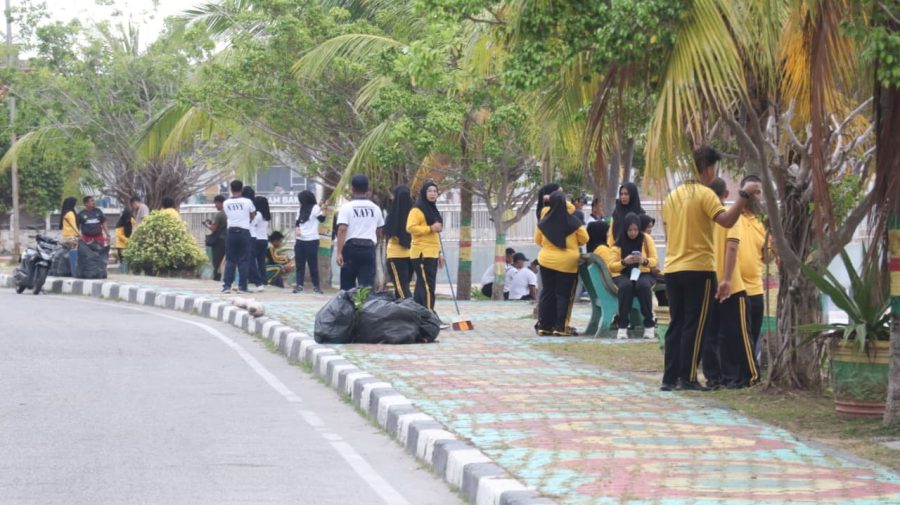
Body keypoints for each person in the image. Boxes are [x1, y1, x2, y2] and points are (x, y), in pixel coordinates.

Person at [659, 146, 760, 392]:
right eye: (714, 169)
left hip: (672, 267)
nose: (714, 174)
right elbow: (726, 220)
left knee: (677, 323)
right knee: (695, 323)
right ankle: (688, 377)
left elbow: (667, 230)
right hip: (698, 269)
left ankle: (669, 378)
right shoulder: (705, 195)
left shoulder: (672, 197)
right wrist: (743, 196)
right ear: (708, 168)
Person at [705, 177, 759, 389]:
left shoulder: (704, 218)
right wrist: (727, 279)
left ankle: (715, 378)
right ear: (726, 194)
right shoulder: (730, 217)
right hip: (732, 285)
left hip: (709, 283)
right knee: (739, 334)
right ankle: (748, 375)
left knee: (711, 334)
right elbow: (732, 247)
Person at [534, 191, 588, 336]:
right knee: (563, 295)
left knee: (547, 293)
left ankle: (544, 326)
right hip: (567, 264)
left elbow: (537, 241)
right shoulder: (574, 221)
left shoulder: (543, 222)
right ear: (566, 203)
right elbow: (584, 239)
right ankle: (560, 327)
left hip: (546, 261)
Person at [608, 212, 658, 340]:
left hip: (644, 272)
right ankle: (622, 325)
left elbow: (654, 260)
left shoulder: (646, 239)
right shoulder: (618, 243)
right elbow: (612, 266)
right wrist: (624, 262)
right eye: (630, 230)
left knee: (643, 286)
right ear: (625, 229)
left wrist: (643, 261)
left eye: (636, 230)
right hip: (623, 274)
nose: (633, 233)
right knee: (626, 286)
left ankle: (649, 325)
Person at [737, 175, 769, 362]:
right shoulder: (729, 217)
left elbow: (767, 257)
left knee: (753, 333)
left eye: (758, 193)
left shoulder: (762, 223)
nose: (755, 197)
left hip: (755, 288)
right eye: (751, 192)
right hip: (734, 289)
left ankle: (750, 370)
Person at [336, 175, 384, 290]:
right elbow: (379, 230)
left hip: (351, 249)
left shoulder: (346, 207)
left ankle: (348, 308)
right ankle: (365, 307)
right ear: (368, 189)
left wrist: (339, 252)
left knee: (347, 287)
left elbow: (342, 230)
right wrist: (375, 244)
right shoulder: (375, 208)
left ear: (352, 189)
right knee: (366, 288)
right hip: (368, 248)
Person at [406, 181, 443, 311]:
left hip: (432, 253)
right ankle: (430, 314)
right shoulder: (417, 209)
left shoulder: (433, 209)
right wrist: (430, 228)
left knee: (423, 285)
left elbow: (435, 235)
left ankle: (418, 314)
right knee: (428, 285)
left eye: (435, 191)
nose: (432, 194)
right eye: (429, 191)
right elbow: (410, 228)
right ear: (424, 193)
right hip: (421, 253)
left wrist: (439, 253)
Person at [221, 180, 256, 293]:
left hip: (231, 232)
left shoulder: (226, 203)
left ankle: (227, 286)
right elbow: (252, 216)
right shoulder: (247, 201)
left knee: (230, 260)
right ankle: (242, 287)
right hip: (244, 232)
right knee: (243, 260)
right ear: (241, 189)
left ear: (231, 189)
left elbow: (228, 215)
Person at [384, 185, 414, 298]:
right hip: (408, 255)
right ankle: (404, 311)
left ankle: (410, 310)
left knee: (401, 288)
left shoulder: (392, 215)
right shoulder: (414, 213)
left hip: (397, 254)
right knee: (402, 287)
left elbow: (389, 231)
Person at [293, 190, 325, 294]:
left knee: (313, 264)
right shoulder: (300, 209)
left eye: (301, 200)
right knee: (299, 264)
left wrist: (323, 209)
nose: (300, 202)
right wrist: (297, 229)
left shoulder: (315, 208)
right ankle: (299, 285)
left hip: (312, 240)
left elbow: (322, 219)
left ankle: (316, 286)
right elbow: (297, 222)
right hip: (300, 240)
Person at [204, 195, 228, 282]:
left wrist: (207, 224)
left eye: (216, 203)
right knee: (226, 262)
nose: (215, 205)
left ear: (219, 203)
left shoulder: (219, 214)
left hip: (219, 241)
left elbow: (213, 229)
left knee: (217, 262)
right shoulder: (228, 213)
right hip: (227, 240)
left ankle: (216, 279)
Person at [250, 196, 271, 292]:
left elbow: (252, 224)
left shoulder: (258, 214)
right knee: (261, 261)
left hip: (257, 239)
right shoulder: (266, 215)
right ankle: (264, 279)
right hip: (264, 239)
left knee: (252, 260)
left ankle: (255, 279)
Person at [60, 197, 80, 274]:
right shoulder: (71, 213)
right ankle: (73, 271)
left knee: (67, 255)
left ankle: (68, 271)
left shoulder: (66, 212)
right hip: (72, 237)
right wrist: (78, 234)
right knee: (73, 255)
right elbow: (73, 225)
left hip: (65, 237)